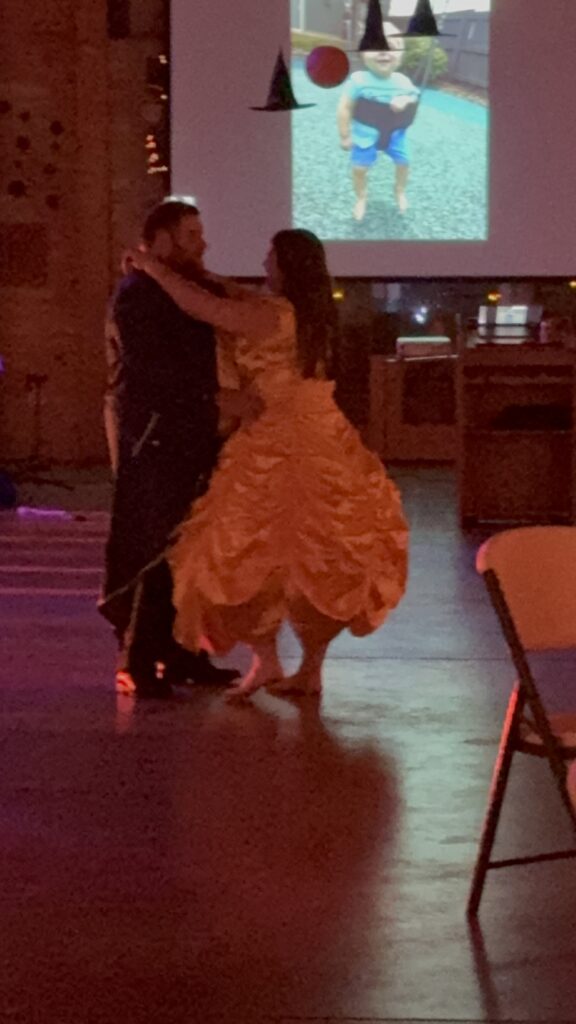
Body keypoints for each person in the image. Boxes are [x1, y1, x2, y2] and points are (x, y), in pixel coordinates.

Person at [125, 229, 409, 700]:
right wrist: (207, 274)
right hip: (325, 435)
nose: (263, 262)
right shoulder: (313, 312)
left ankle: (267, 659)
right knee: (322, 555)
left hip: (277, 437)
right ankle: (309, 668)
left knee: (241, 551)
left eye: (270, 256)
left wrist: (153, 267)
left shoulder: (270, 316)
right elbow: (235, 295)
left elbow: (203, 307)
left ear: (286, 265)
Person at [99, 199, 245, 698]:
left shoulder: (179, 287)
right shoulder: (138, 294)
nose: (203, 244)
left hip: (190, 433)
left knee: (188, 546)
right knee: (154, 546)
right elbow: (150, 371)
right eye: (191, 235)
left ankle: (181, 651)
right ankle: (139, 660)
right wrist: (213, 398)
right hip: (155, 435)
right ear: (161, 239)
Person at [337, 23, 419, 220]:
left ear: (401, 55)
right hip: (364, 137)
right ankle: (361, 198)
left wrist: (405, 99)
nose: (384, 51)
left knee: (404, 163)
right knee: (359, 170)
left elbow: (414, 96)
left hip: (395, 136)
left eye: (392, 46)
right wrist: (345, 136)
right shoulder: (358, 81)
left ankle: (399, 190)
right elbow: (344, 107)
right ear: (363, 53)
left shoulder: (403, 81)